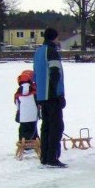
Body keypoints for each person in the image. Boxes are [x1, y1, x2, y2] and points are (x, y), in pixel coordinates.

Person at [33, 27, 67, 168]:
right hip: (51, 96)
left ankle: (44, 157)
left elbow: (35, 74)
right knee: (56, 127)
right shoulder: (52, 51)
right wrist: (57, 94)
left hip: (41, 95)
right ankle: (52, 157)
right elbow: (55, 73)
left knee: (46, 126)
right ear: (54, 37)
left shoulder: (38, 52)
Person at [14, 70, 39, 142]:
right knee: (33, 130)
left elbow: (17, 103)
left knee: (23, 131)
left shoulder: (18, 92)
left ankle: (24, 145)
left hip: (23, 117)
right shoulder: (35, 90)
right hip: (34, 116)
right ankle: (35, 143)